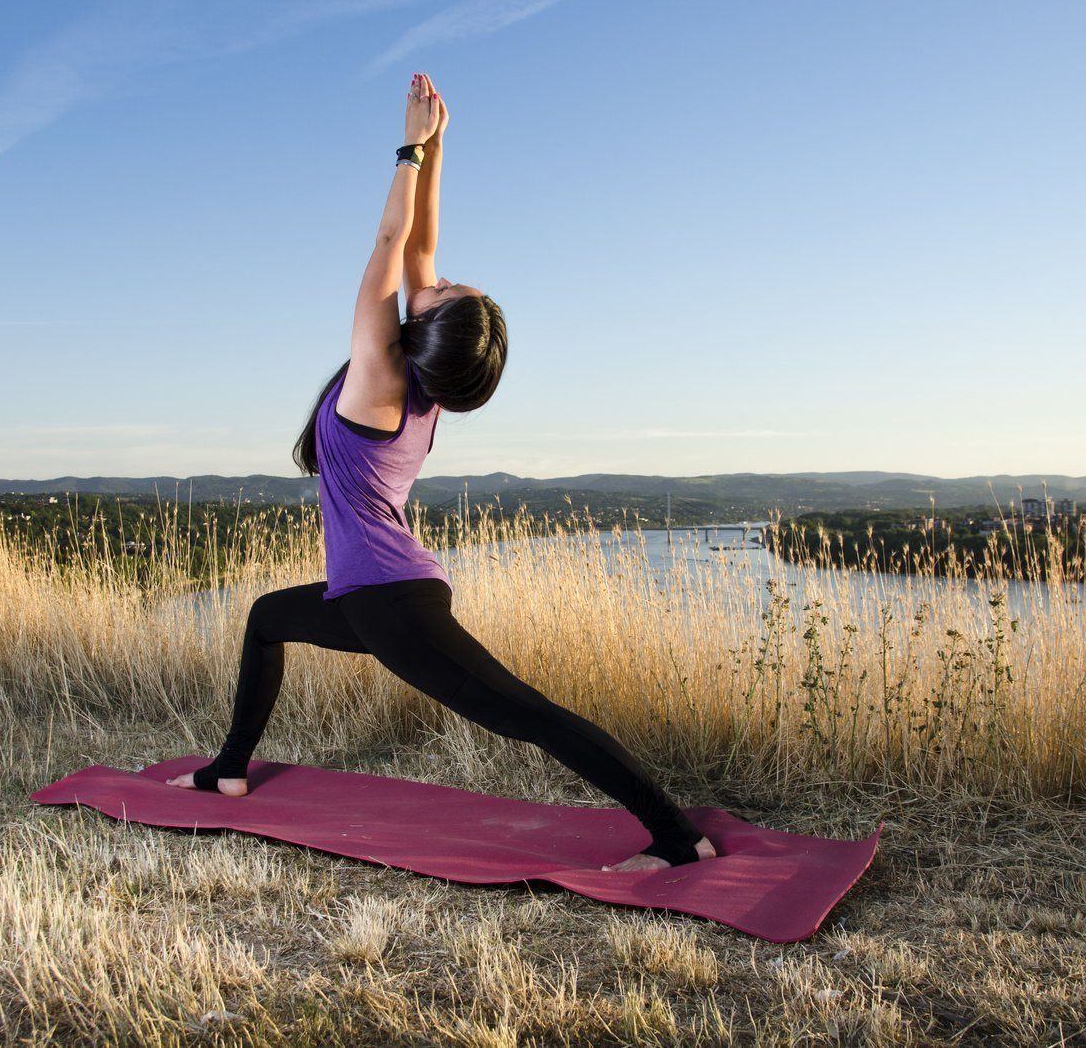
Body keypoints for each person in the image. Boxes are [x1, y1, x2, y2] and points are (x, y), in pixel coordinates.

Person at [170, 73, 716, 871]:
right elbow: (421, 250)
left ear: (428, 322)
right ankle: (228, 770)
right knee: (265, 617)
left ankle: (676, 837)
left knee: (525, 714)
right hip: (368, 595)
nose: (444, 278)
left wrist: (404, 150)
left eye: (451, 291)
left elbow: (393, 248)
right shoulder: (425, 381)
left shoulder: (380, 378)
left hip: (394, 605)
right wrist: (438, 144)